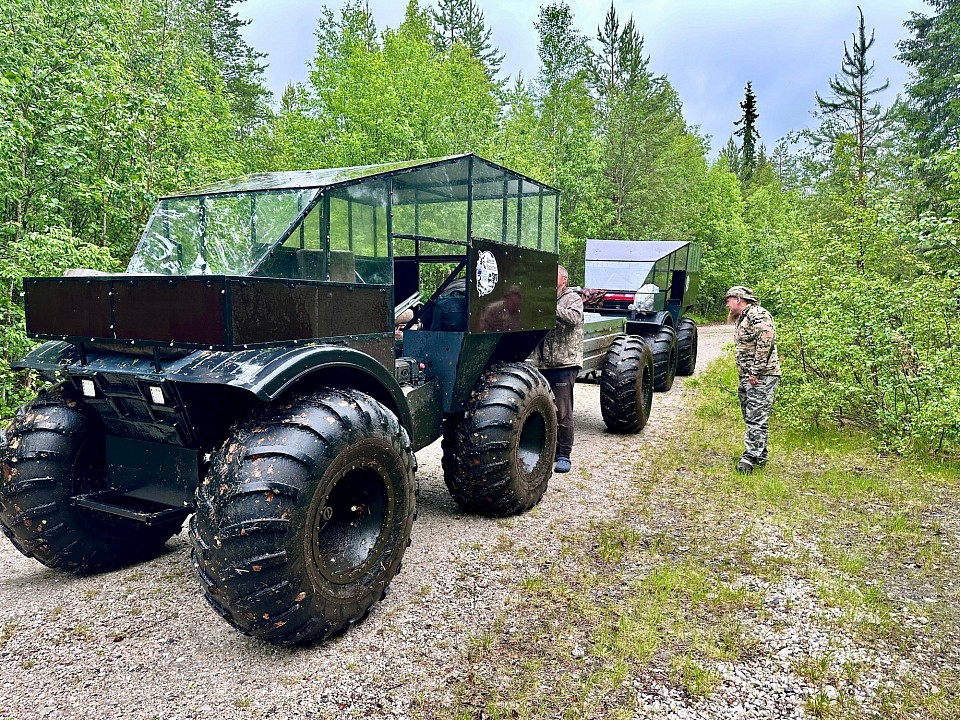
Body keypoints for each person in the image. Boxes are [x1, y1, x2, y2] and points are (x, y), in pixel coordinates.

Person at [532, 265, 584, 474]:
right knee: (545, 410)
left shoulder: (573, 299)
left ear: (563, 279)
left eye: (552, 275)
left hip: (564, 363)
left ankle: (564, 455)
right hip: (541, 363)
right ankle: (548, 450)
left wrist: (547, 306)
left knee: (563, 412)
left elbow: (573, 319)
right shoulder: (544, 298)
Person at [725, 285, 781, 474]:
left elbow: (766, 343)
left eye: (729, 300)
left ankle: (749, 457)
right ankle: (759, 454)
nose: (727, 305)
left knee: (757, 416)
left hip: (762, 376)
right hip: (749, 376)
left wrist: (755, 372)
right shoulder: (744, 317)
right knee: (751, 416)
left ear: (738, 299)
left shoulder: (758, 314)